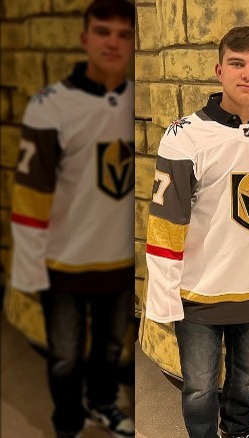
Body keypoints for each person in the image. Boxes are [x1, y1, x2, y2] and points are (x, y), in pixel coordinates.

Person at [144, 26, 249, 438]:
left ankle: (238, 433)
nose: (248, 74)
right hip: (199, 293)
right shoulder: (185, 136)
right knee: (199, 388)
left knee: (244, 380)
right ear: (219, 69)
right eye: (238, 63)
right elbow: (165, 224)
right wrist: (164, 297)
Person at [9, 1, 135, 437]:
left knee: (110, 349)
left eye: (124, 33)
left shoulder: (141, 99)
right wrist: (27, 266)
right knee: (64, 356)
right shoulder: (51, 105)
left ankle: (102, 405)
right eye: (103, 31)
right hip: (63, 262)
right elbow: (30, 193)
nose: (113, 42)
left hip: (120, 263)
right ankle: (67, 422)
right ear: (85, 39)